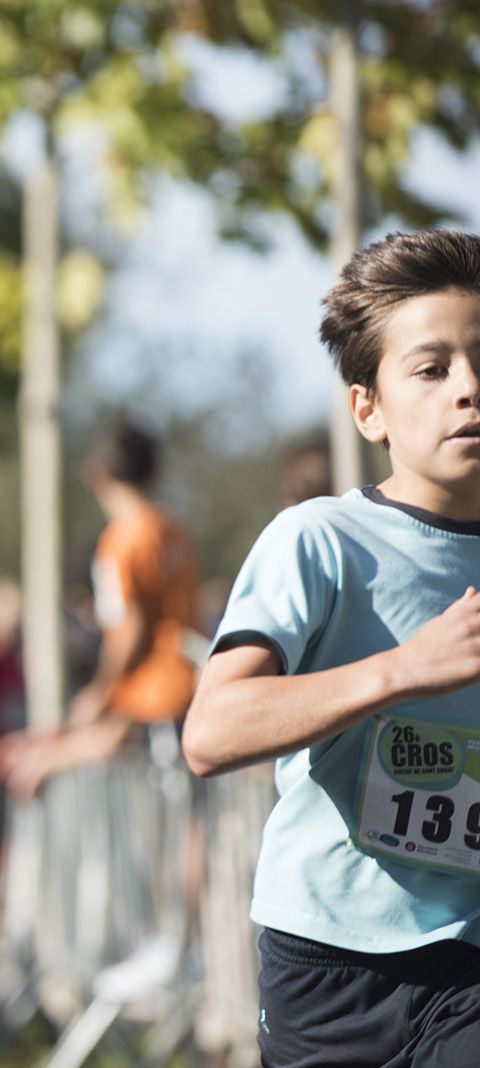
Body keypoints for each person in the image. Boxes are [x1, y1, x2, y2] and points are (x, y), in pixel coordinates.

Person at [182, 229, 480, 1066]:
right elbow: (211, 733)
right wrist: (403, 670)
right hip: (330, 960)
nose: (471, 388)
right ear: (368, 409)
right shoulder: (320, 541)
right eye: (432, 369)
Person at [0, 420, 200, 798]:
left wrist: (100, 691)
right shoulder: (171, 529)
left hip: (155, 699)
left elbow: (130, 626)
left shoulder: (121, 540)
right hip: (187, 688)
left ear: (97, 473)